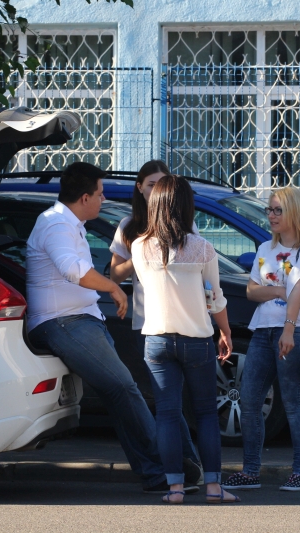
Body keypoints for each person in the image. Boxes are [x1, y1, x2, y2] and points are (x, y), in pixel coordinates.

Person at [26, 162, 189, 494]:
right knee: (125, 388)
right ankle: (168, 468)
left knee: (119, 393)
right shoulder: (56, 224)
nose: (103, 200)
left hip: (80, 320)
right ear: (85, 197)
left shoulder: (69, 224)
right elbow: (73, 270)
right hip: (63, 322)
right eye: (99, 194)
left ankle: (156, 472)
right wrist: (113, 288)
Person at [131, 175, 239, 504]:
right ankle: (213, 487)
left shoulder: (139, 247)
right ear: (188, 206)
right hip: (197, 340)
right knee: (206, 414)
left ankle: (175, 489)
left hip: (157, 340)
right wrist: (226, 331)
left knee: (166, 413)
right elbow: (215, 298)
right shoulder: (202, 247)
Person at [221, 187, 300, 492]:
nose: (271, 215)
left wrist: (290, 329)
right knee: (251, 400)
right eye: (269, 210)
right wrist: (282, 290)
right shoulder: (266, 248)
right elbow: (252, 291)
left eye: (278, 210)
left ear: (295, 212)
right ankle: (251, 471)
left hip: (295, 329)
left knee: (293, 402)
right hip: (263, 328)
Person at [109, 160, 203, 482]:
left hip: (185, 322)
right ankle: (189, 468)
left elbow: (201, 267)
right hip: (147, 324)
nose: (157, 189)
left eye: (163, 183)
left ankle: (190, 468)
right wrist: (139, 255)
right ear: (140, 188)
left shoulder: (185, 225)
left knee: (189, 404)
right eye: (151, 184)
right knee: (167, 405)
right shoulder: (129, 226)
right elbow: (114, 274)